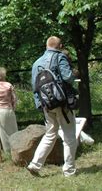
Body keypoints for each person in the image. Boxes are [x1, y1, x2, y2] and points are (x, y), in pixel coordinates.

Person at [27, 36, 77, 177]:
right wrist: (74, 76)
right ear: (60, 45)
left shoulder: (36, 63)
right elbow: (67, 77)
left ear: (46, 45)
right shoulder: (60, 57)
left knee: (50, 134)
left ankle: (34, 165)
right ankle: (69, 170)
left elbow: (35, 87)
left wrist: (40, 105)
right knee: (69, 136)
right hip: (62, 103)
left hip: (46, 105)